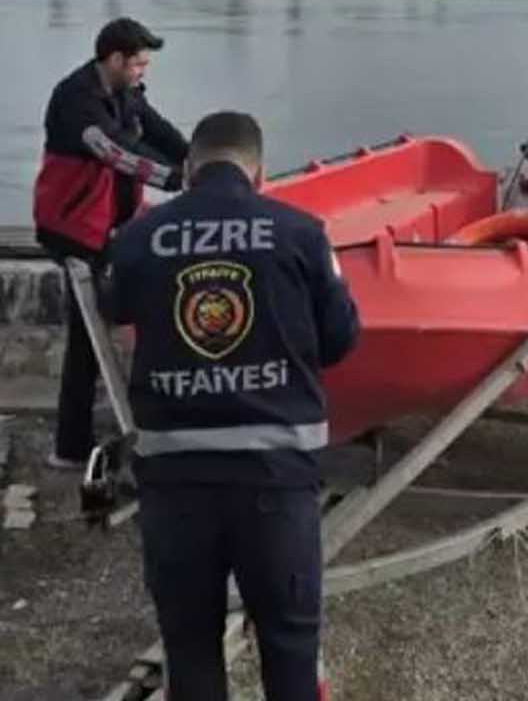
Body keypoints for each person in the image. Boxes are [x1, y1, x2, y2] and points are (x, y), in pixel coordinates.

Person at [108, 112, 359, 701]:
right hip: (276, 478)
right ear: (261, 173)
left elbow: (116, 307)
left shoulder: (142, 235)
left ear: (191, 169)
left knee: (190, 646)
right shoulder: (302, 233)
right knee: (290, 644)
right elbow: (342, 338)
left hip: (175, 480)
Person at [32, 16, 190, 469]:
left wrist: (200, 158)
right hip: (73, 231)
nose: (143, 71)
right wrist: (177, 179)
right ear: (115, 59)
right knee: (86, 339)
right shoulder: (77, 100)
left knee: (120, 315)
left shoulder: (124, 93)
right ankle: (70, 446)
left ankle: (134, 415)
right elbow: (115, 150)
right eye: (138, 64)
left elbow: (155, 130)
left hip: (110, 226)